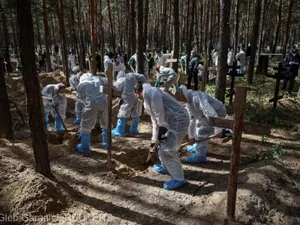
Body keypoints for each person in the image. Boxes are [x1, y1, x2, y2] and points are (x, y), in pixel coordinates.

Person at [134, 83, 189, 190]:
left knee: (167, 150)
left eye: (136, 95)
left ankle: (179, 178)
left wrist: (162, 128)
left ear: (137, 92)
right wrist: (154, 141)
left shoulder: (152, 92)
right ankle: (167, 167)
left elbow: (159, 113)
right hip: (169, 123)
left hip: (178, 121)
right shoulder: (146, 100)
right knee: (161, 146)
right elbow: (155, 122)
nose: (137, 97)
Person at [177, 85, 229, 164]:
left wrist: (218, 130)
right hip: (204, 115)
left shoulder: (197, 97)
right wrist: (191, 137)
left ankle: (200, 156)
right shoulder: (187, 102)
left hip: (218, 112)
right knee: (199, 126)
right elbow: (192, 119)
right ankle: (197, 147)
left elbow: (210, 112)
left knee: (203, 131)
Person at [76, 73, 109, 154]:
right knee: (106, 123)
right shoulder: (98, 80)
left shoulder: (81, 85)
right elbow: (107, 89)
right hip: (103, 102)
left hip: (91, 104)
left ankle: (84, 147)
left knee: (86, 126)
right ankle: (107, 143)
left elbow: (81, 100)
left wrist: (80, 116)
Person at [112, 72, 147, 137]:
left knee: (123, 112)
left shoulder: (122, 79)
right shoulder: (138, 78)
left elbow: (117, 89)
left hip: (128, 97)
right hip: (138, 95)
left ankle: (119, 131)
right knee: (137, 112)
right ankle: (134, 130)